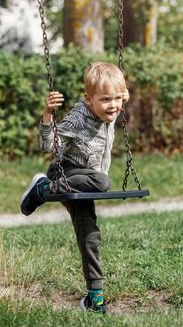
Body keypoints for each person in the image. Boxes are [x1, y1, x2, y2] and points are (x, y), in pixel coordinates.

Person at [20, 62, 129, 314]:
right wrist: (48, 113)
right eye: (105, 100)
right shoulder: (78, 118)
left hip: (85, 181)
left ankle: (94, 298)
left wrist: (122, 94)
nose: (113, 106)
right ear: (88, 99)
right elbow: (48, 146)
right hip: (67, 173)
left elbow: (119, 96)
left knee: (90, 235)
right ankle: (45, 189)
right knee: (103, 182)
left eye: (117, 99)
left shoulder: (111, 107)